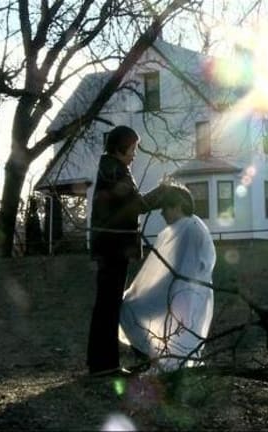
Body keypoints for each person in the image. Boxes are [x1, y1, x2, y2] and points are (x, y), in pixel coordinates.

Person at [87, 125, 163, 377]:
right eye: (133, 149)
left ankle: (100, 363)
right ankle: (105, 366)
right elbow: (137, 205)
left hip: (109, 249)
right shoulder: (115, 171)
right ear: (121, 148)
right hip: (113, 249)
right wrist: (164, 192)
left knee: (106, 305)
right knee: (108, 306)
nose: (134, 154)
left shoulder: (112, 169)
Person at [118, 182, 216, 372]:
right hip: (177, 293)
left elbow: (185, 274)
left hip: (184, 298)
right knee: (126, 304)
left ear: (177, 206)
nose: (161, 214)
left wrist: (154, 295)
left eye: (165, 208)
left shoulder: (190, 229)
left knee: (127, 308)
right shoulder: (183, 228)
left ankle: (155, 360)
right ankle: (154, 358)